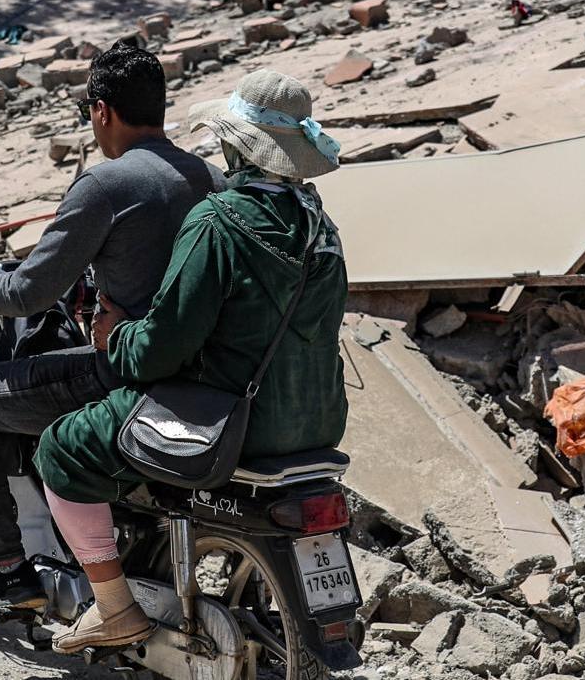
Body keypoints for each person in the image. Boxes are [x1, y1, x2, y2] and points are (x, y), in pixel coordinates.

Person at [31, 69, 350, 652]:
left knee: (62, 447)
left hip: (232, 426)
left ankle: (114, 607)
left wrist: (114, 337)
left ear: (236, 146)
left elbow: (160, 349)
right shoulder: (321, 229)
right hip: (318, 423)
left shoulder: (218, 223)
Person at [0, 44, 224, 623]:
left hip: (124, 372)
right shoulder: (210, 177)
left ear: (101, 111)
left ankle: (10, 575)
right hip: (202, 374)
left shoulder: (104, 185)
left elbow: (27, 292)